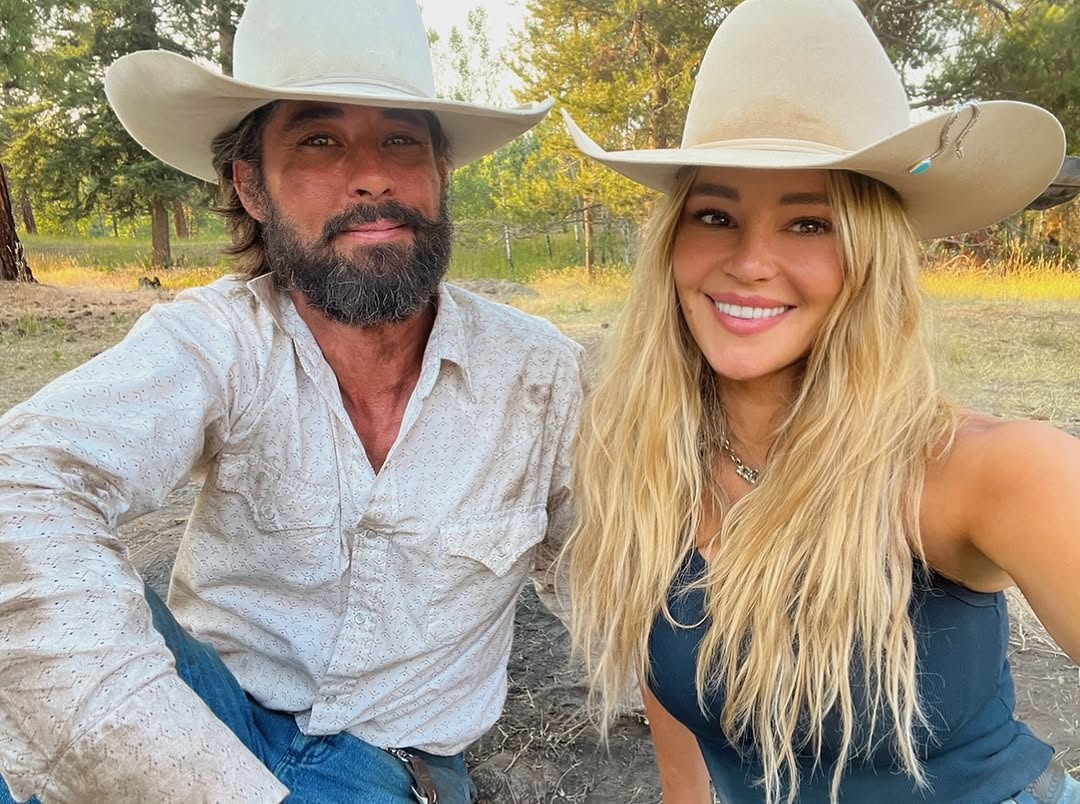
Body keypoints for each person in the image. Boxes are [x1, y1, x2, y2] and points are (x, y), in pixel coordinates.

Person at [0, 0, 582, 802]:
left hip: (391, 766)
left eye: (401, 141)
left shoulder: (539, 375)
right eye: (318, 141)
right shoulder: (218, 342)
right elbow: (24, 479)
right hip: (205, 715)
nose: (371, 175)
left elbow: (618, 579)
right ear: (252, 187)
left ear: (441, 172)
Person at [560, 0, 1080, 802]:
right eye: (715, 215)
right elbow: (681, 739)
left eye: (808, 224)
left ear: (872, 255)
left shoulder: (991, 470)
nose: (750, 262)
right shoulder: (647, 461)